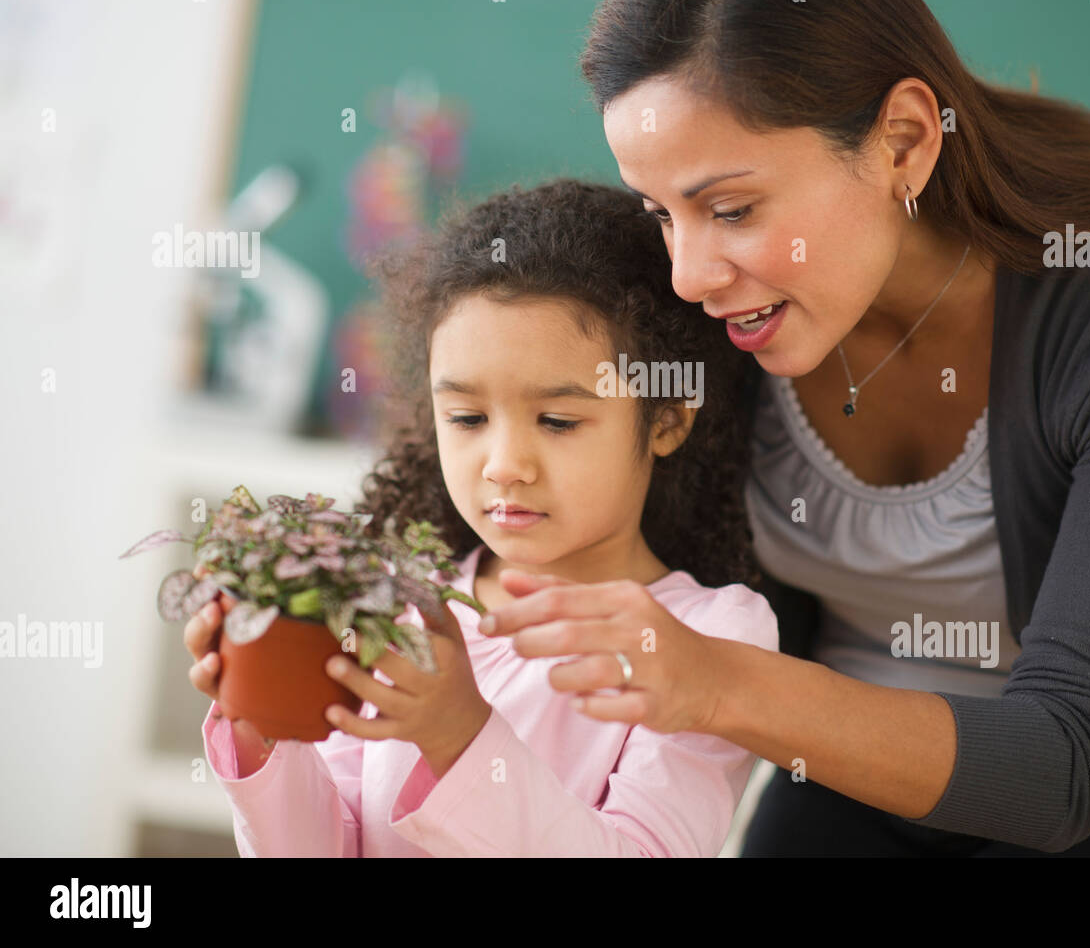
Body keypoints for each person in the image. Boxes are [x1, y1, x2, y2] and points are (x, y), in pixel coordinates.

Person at [474, 0, 1090, 857]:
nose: (688, 277)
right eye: (660, 212)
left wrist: (718, 681)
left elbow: (1073, 762)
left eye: (733, 208)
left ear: (904, 141)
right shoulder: (712, 308)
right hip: (853, 764)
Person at [183, 179, 779, 856]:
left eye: (557, 420)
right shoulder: (401, 600)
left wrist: (460, 737)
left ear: (666, 419)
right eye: (466, 418)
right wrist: (265, 729)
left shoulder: (710, 637)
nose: (503, 464)